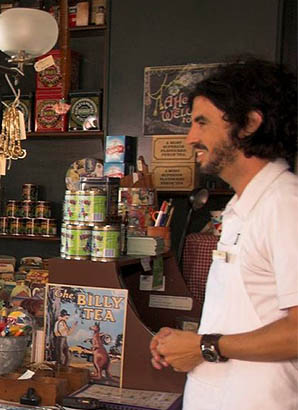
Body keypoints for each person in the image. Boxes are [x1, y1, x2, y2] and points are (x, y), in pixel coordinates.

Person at [149, 58, 298, 409]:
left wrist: (204, 346)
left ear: (248, 124)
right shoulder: (241, 207)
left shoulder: (285, 204)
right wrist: (187, 343)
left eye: (202, 123)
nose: (190, 138)